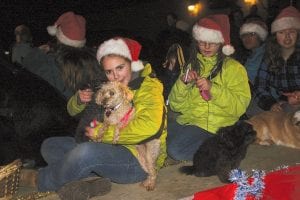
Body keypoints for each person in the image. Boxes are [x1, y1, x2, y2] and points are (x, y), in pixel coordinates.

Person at [31, 37, 167, 198]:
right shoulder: (106, 86)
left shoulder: (148, 87)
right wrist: (79, 100)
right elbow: (71, 111)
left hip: (138, 160)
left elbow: (150, 127)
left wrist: (103, 135)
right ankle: (89, 179)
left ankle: (41, 180)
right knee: (51, 145)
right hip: (107, 147)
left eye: (120, 68)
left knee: (85, 152)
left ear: (132, 63)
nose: (115, 76)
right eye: (109, 71)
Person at [167, 14, 251, 161]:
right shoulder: (192, 66)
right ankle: (216, 147)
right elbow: (176, 105)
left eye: (212, 42)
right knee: (159, 134)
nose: (206, 47)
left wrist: (213, 88)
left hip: (217, 126)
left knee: (175, 151)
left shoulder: (234, 68)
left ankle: (224, 148)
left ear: (221, 43)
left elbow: (239, 107)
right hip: (191, 121)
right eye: (202, 42)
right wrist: (182, 84)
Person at [20, 11, 95, 100]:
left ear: (58, 38)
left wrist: (38, 51)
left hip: (58, 110)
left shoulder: (50, 62)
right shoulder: (92, 62)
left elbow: (26, 68)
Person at [254, 6, 300, 112]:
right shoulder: (270, 57)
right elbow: (259, 86)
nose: (287, 37)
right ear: (275, 36)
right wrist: (270, 104)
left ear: (298, 34)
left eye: (291, 32)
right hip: (283, 103)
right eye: (282, 32)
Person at [239, 18, 269, 117]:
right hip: (244, 97)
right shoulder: (245, 57)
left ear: (260, 36)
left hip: (262, 100)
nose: (247, 38)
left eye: (252, 34)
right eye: (244, 35)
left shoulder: (269, 54)